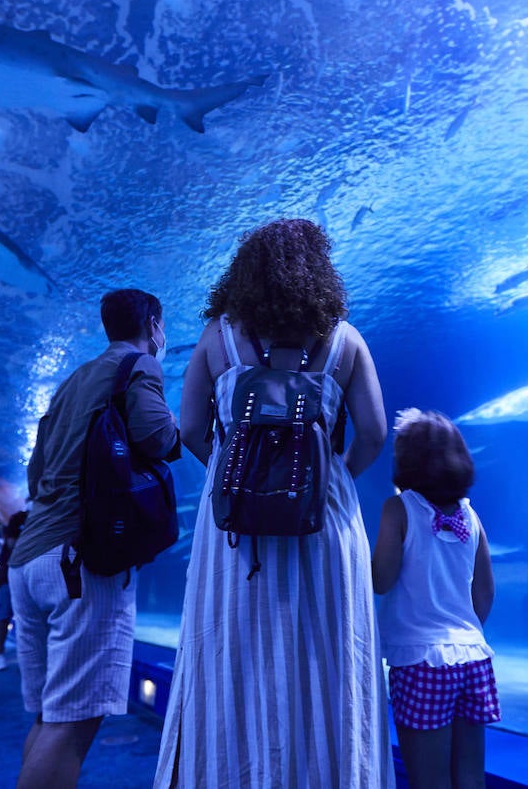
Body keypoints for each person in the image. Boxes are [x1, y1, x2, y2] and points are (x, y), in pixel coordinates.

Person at [154, 218, 391, 788]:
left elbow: (187, 427)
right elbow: (376, 433)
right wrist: (332, 478)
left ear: (245, 273)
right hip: (324, 523)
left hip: (236, 529)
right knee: (330, 656)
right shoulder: (345, 340)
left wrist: (231, 475)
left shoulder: (218, 337)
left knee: (233, 655)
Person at [10, 289, 180, 788]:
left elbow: (36, 468)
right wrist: (179, 425)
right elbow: (154, 436)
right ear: (153, 324)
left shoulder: (72, 380)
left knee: (49, 716)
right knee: (71, 724)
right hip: (80, 563)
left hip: (30, 557)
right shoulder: (139, 365)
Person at [370, 409, 499, 789]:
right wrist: (461, 631)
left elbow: (381, 580)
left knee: (430, 781)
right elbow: (486, 592)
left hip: (420, 660)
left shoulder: (399, 509)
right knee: (471, 777)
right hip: (473, 657)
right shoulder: (470, 516)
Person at [0, 509, 27, 673]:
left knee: (25, 616)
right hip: (11, 573)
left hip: (27, 573)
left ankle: (24, 653)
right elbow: (11, 543)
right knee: (4, 614)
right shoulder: (19, 518)